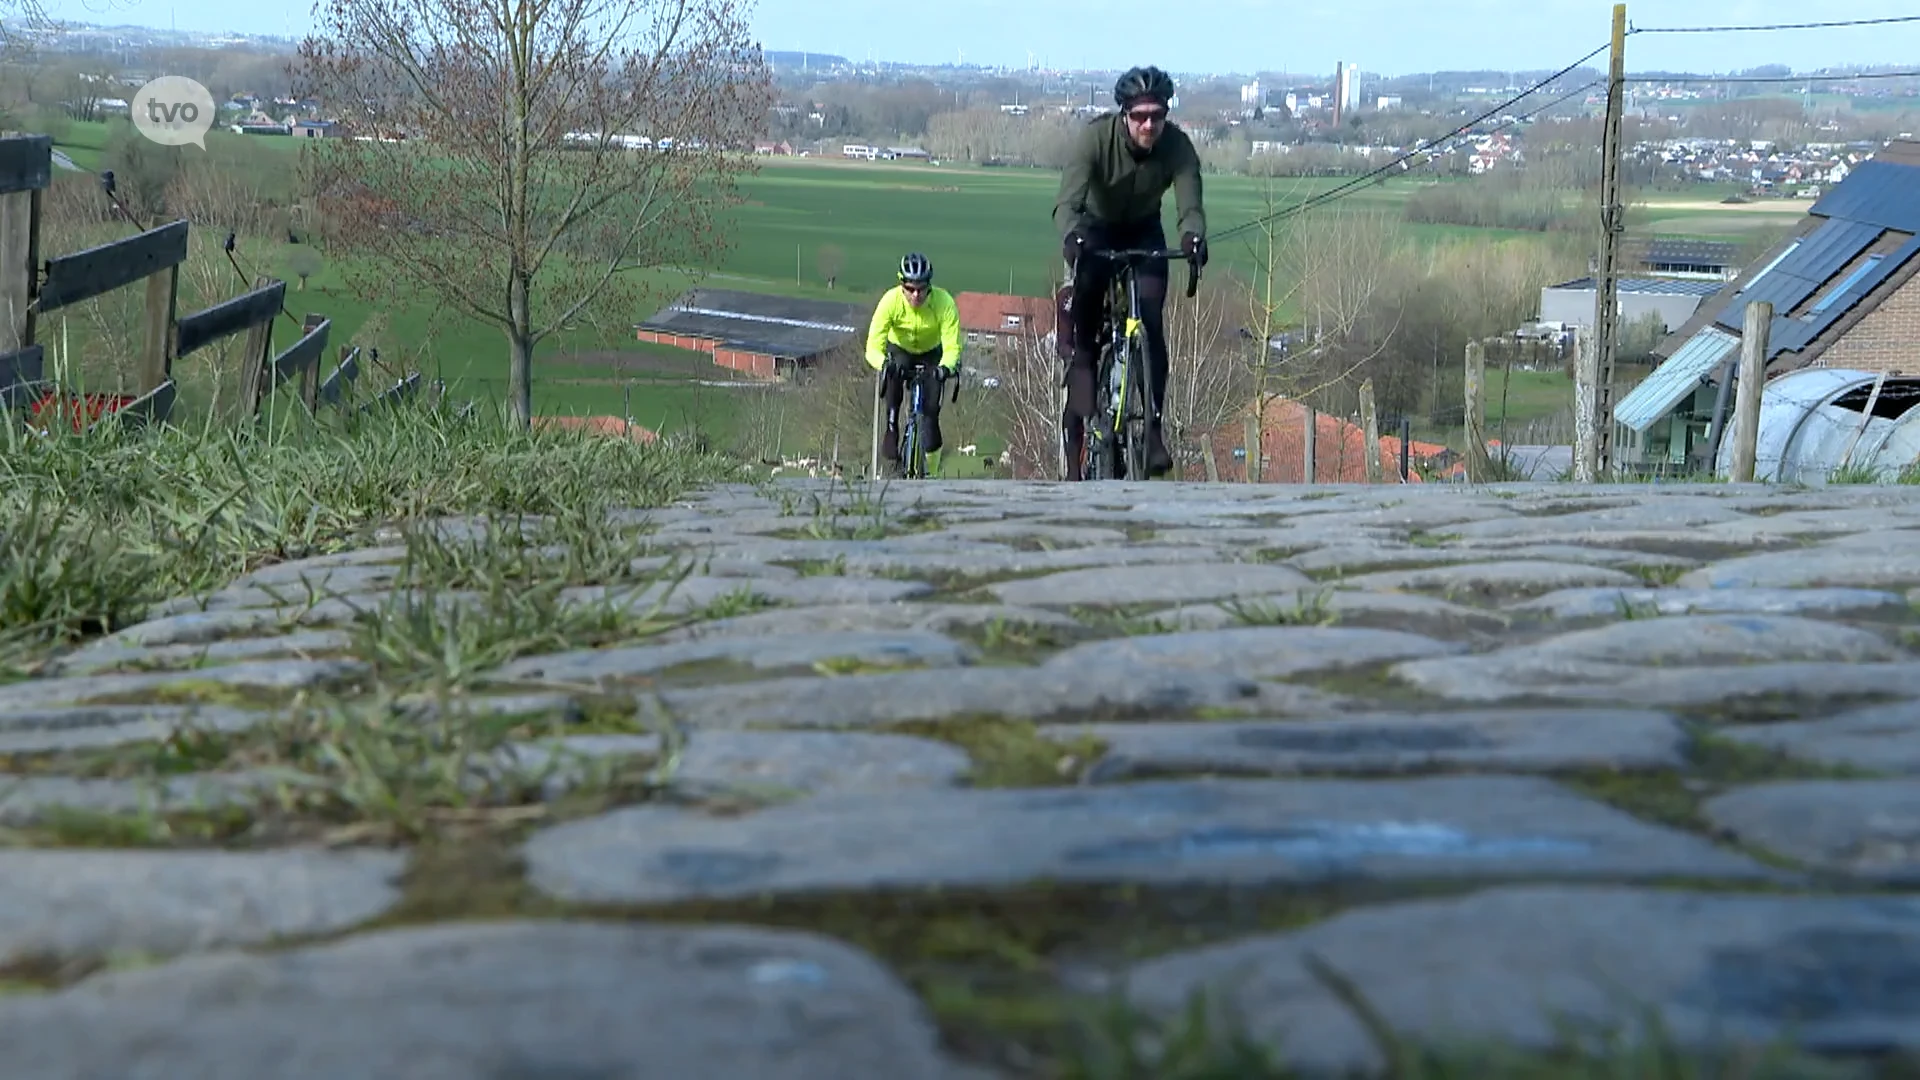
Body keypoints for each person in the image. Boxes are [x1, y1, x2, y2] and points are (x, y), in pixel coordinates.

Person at [1053, 64, 1209, 479]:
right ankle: (1085, 362)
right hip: (1096, 227)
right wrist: (1071, 237)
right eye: (1139, 115)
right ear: (1123, 113)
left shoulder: (1176, 146)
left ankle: (1154, 430)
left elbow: (1190, 203)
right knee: (1086, 293)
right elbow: (1068, 203)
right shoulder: (1095, 139)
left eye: (1157, 115)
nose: (1148, 124)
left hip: (1143, 230)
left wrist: (1193, 236)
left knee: (1152, 323)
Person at [864, 251, 963, 468]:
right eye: (910, 289)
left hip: (932, 353)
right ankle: (892, 428)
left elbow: (952, 345)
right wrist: (883, 364)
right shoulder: (890, 302)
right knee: (893, 374)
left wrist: (945, 368)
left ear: (930, 286)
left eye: (921, 289)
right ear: (901, 285)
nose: (916, 295)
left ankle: (933, 472)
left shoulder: (944, 302)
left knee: (930, 417)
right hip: (900, 349)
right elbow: (872, 346)